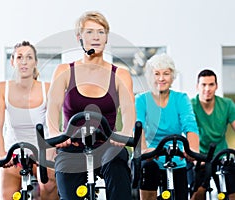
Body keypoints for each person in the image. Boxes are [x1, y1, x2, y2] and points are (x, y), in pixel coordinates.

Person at [46, 11, 135, 200]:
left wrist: (125, 132)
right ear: (79, 37)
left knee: (117, 162)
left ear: (106, 38)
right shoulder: (64, 71)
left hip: (107, 144)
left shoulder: (120, 74)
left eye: (101, 32)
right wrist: (54, 133)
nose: (96, 37)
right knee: (68, 192)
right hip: (73, 144)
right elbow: (52, 107)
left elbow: (128, 110)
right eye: (89, 32)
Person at [0, 41, 58, 199]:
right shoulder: (2, 88)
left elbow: (53, 126)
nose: (24, 61)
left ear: (35, 62)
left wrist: (49, 156)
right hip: (12, 154)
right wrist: (2, 155)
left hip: (41, 153)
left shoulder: (47, 88)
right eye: (19, 57)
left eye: (29, 57)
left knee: (49, 185)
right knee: (6, 196)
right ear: (12, 61)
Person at [135, 53, 200, 200]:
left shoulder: (181, 99)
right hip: (150, 157)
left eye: (166, 73)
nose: (161, 78)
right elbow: (138, 128)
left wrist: (193, 150)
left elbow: (190, 125)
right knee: (148, 169)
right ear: (150, 77)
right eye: (156, 74)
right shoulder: (141, 100)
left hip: (176, 157)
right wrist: (145, 149)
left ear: (172, 76)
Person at [190, 69, 235, 200]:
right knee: (197, 193)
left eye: (211, 84)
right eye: (203, 85)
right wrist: (195, 156)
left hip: (221, 156)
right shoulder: (191, 106)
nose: (207, 89)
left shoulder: (227, 105)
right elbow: (188, 132)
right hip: (199, 156)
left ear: (216, 86)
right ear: (197, 86)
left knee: (232, 191)